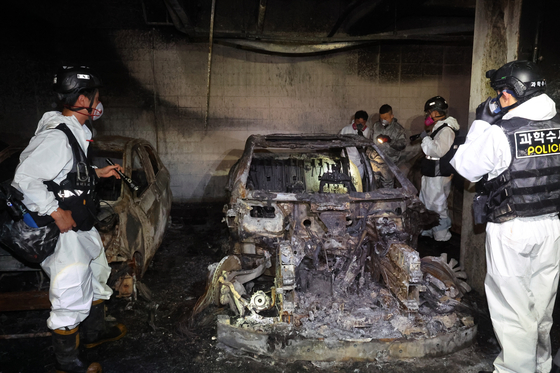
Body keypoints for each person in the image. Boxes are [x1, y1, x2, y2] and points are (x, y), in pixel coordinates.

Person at [12, 65, 127, 373]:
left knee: (97, 274)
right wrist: (54, 210)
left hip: (82, 224)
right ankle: (68, 365)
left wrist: (95, 173)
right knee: (69, 294)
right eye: (96, 96)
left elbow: (64, 173)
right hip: (65, 234)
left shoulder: (74, 132)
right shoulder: (57, 137)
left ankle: (94, 335)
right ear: (83, 99)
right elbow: (25, 179)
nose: (100, 103)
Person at [450, 60, 560, 373]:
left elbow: (466, 167)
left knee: (512, 308)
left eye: (501, 92)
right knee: (542, 306)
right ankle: (541, 364)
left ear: (514, 92)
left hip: (512, 229)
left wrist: (481, 124)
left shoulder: (501, 133)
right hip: (551, 226)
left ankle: (516, 370)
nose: (498, 99)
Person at [418, 96, 459, 241]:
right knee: (426, 203)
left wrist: (426, 139)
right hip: (431, 172)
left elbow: (438, 151)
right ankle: (428, 232)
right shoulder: (439, 127)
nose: (428, 115)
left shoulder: (447, 130)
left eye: (430, 112)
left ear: (436, 112)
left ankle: (442, 238)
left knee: (437, 206)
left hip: (438, 174)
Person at [369, 104, 407, 188]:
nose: (383, 120)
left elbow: (403, 144)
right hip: (375, 163)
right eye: (381, 118)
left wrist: (390, 141)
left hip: (389, 163)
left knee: (388, 188)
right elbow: (370, 142)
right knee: (373, 186)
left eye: (385, 118)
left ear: (392, 116)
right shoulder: (376, 126)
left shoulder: (398, 129)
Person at [339, 110, 371, 178]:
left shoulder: (368, 131)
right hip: (347, 160)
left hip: (359, 162)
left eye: (362, 123)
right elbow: (339, 143)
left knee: (358, 182)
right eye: (358, 122)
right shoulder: (346, 129)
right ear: (354, 120)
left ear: (365, 122)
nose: (360, 124)